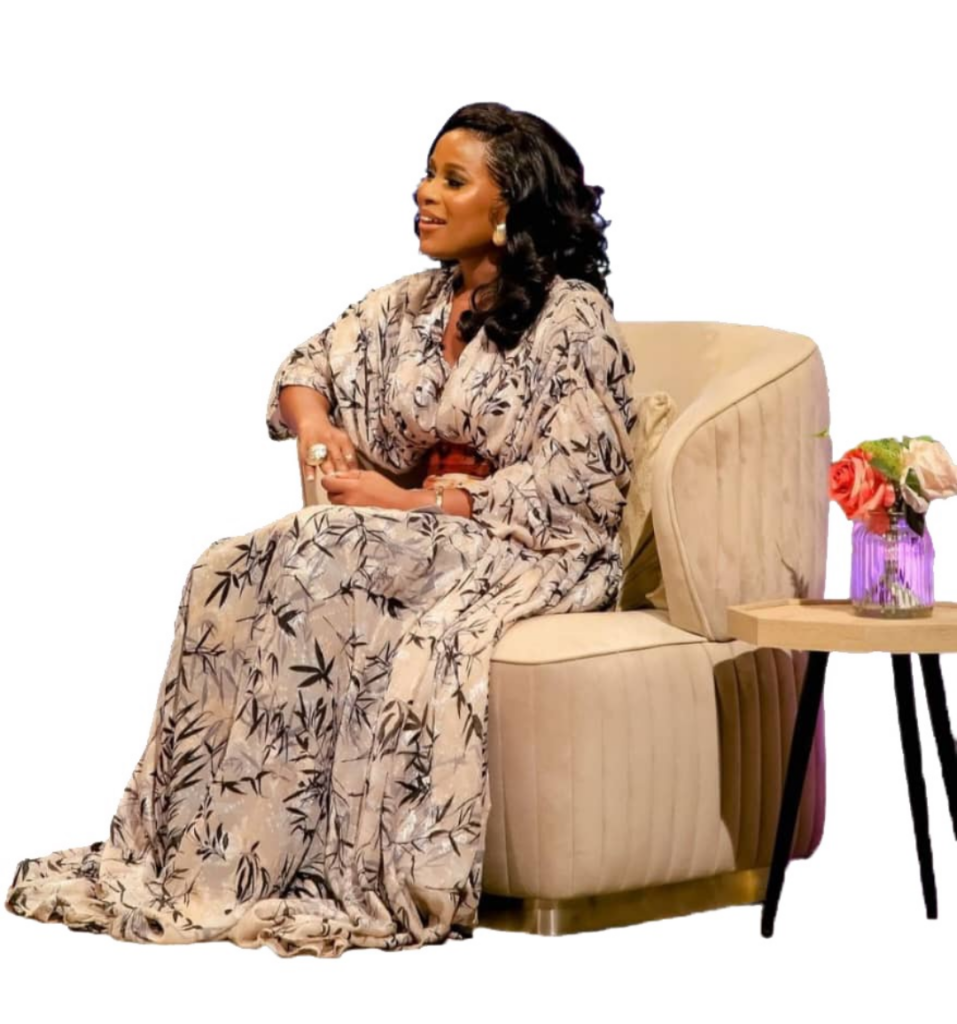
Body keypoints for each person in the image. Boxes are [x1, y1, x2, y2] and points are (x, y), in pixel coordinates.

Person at [5, 101, 637, 958]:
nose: (423, 192)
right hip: (413, 528)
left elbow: (575, 489)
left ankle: (274, 862)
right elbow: (305, 366)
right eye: (427, 173)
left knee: (319, 547)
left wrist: (402, 503)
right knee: (225, 565)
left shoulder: (571, 317)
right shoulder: (413, 302)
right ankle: (211, 853)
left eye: (451, 179)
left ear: (508, 205)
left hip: (523, 545)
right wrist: (317, 428)